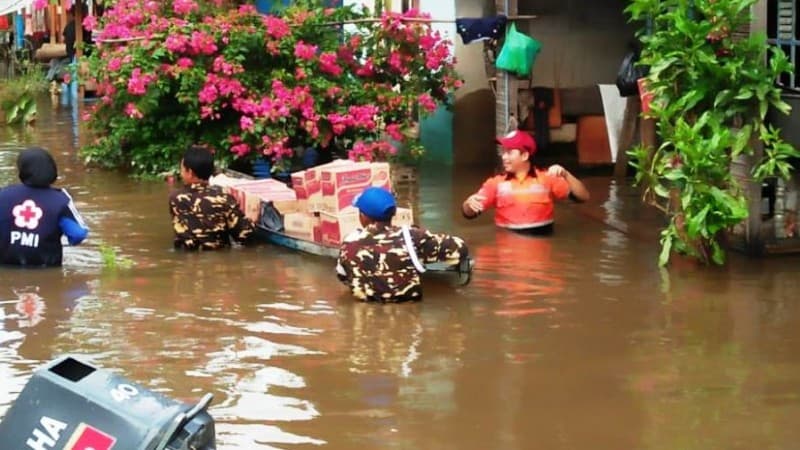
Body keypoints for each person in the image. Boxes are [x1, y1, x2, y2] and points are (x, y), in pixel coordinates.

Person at [336, 186, 470, 303]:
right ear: (393, 213)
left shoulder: (348, 243)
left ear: (363, 217)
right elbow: (460, 249)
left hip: (365, 319)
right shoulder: (411, 236)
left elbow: (343, 277)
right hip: (410, 314)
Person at [462, 130, 590, 234]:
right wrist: (468, 204)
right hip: (507, 248)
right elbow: (469, 213)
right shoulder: (495, 183)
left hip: (541, 250)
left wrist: (566, 174)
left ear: (525, 156)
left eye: (509, 152)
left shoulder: (547, 178)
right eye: (503, 152)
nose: (504, 157)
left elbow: (583, 197)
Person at [0, 147, 89, 267]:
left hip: (6, 269)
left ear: (22, 171)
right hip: (46, 269)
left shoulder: (3, 194)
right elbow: (78, 235)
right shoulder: (61, 200)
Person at [169, 145, 255, 250]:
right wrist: (252, 216)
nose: (181, 173)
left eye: (182, 169)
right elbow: (243, 235)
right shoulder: (224, 196)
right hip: (221, 258)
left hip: (187, 256)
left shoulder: (175, 198)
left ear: (190, 172)